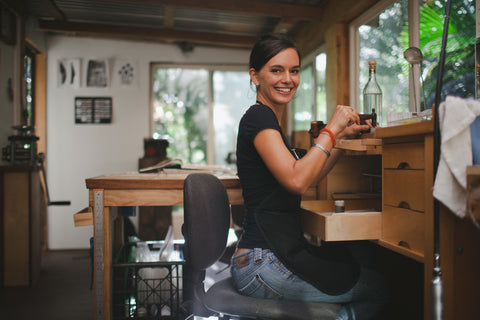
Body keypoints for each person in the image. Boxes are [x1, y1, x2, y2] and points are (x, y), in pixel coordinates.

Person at [231, 33, 390, 320]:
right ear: (255, 76)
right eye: (276, 70)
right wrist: (331, 129)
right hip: (262, 262)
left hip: (265, 257)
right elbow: (297, 181)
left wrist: (339, 139)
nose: (287, 79)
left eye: (294, 71)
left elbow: (311, 175)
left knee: (356, 266)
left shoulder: (270, 124)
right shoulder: (259, 118)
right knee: (375, 287)